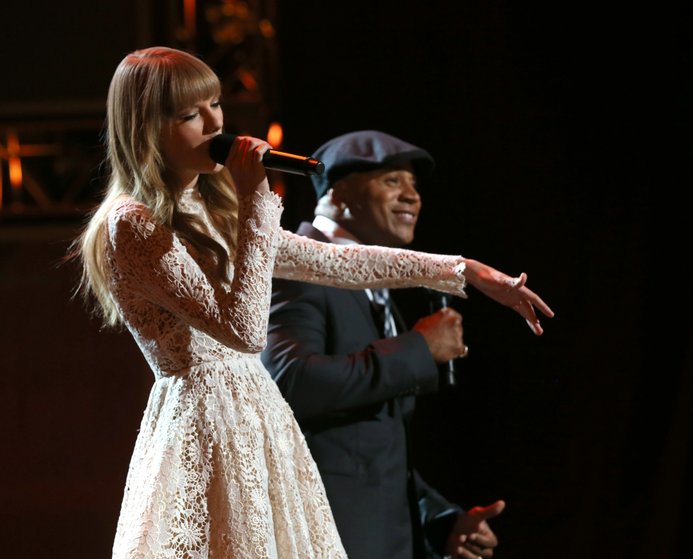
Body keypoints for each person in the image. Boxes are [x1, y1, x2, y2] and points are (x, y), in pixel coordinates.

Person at [70, 46, 553, 558]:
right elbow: (244, 331)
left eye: (215, 104)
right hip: (207, 429)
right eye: (191, 115)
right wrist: (255, 199)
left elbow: (336, 262)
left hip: (260, 425)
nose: (215, 124)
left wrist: (465, 270)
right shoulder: (132, 223)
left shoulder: (212, 210)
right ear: (147, 130)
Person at [261, 131, 517, 559]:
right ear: (339, 193)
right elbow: (289, 382)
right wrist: (419, 349)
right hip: (326, 539)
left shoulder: (374, 288)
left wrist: (441, 521)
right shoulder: (299, 268)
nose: (412, 196)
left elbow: (368, 447)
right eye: (392, 180)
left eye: (414, 185)